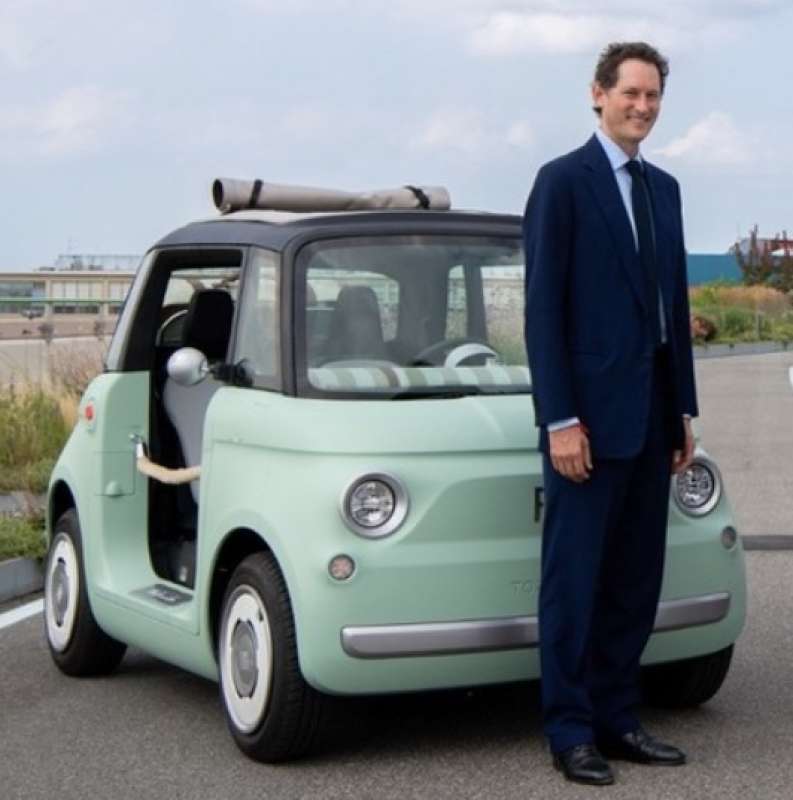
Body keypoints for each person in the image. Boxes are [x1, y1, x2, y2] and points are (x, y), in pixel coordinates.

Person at [522, 41, 698, 786]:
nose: (644, 107)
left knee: (633, 581)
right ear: (597, 94)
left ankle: (619, 717)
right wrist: (559, 420)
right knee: (575, 581)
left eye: (653, 96)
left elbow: (673, 306)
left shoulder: (664, 188)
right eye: (631, 93)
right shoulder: (561, 184)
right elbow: (541, 313)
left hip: (652, 419)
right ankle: (569, 731)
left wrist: (682, 409)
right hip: (586, 427)